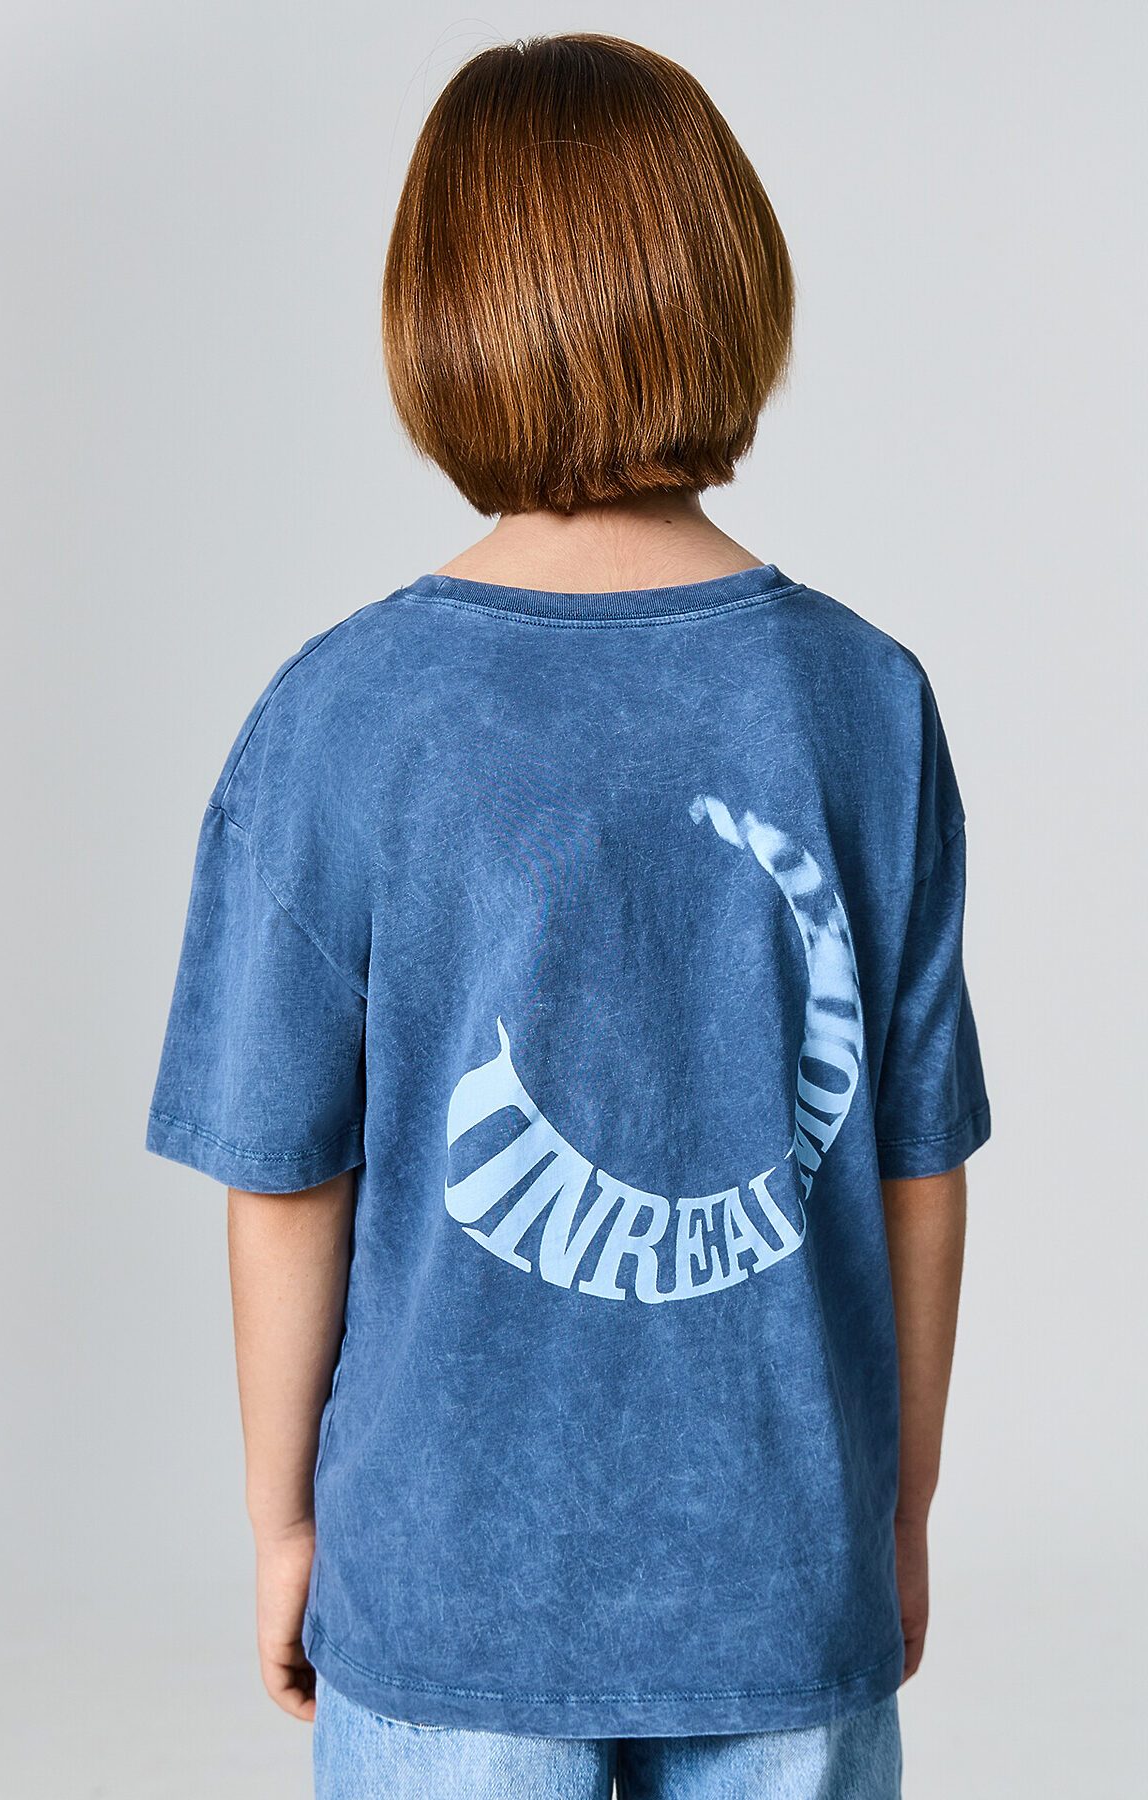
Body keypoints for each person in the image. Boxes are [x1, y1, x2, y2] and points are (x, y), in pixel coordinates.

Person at [145, 32, 990, 1800]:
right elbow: (917, 1164)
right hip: (785, 1577)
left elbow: (285, 1180)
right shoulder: (864, 701)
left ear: (437, 321)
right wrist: (897, 1512)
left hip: (441, 1589)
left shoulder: (340, 717)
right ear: (731, 286)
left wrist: (284, 1526)